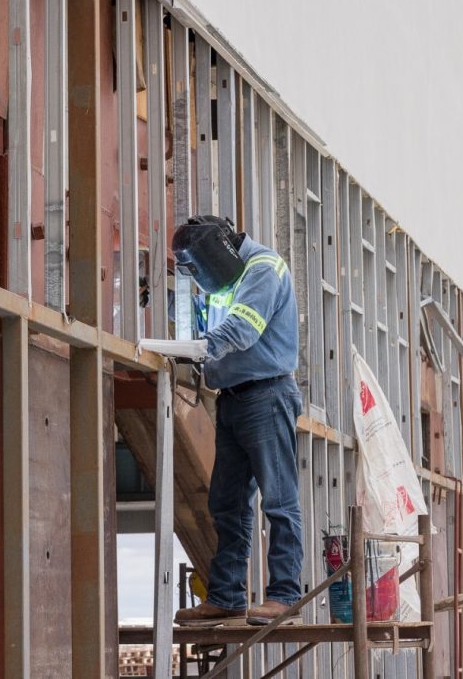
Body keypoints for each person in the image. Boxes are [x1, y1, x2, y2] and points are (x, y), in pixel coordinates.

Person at [170, 215, 304, 627]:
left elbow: (241, 331)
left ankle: (284, 595)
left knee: (278, 500)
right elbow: (211, 322)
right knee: (227, 504)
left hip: (267, 394)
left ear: (219, 252)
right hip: (232, 398)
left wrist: (194, 349)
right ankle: (227, 596)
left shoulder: (263, 268)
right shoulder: (226, 279)